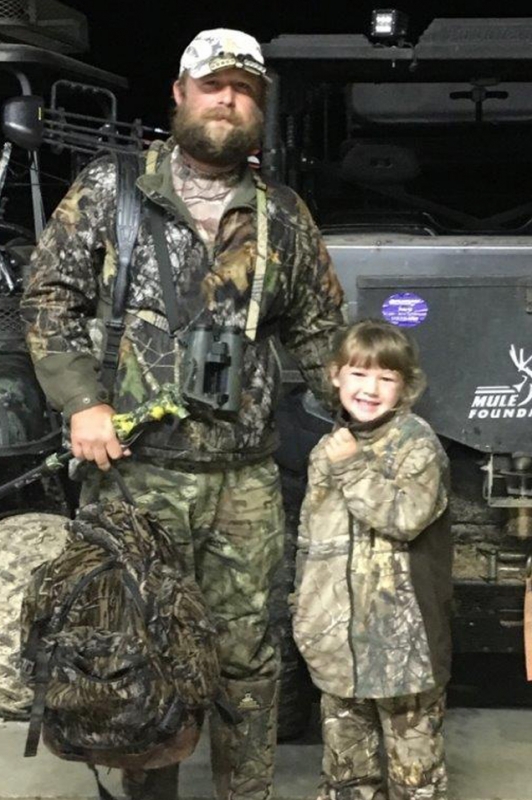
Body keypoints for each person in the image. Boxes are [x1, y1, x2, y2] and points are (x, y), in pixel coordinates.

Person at [20, 27, 344, 800]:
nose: (228, 100)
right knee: (137, 648)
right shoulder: (112, 191)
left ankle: (244, 793)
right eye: (213, 85)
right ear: (180, 93)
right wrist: (82, 401)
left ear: (259, 106)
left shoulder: (282, 214)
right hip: (135, 475)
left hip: (245, 483)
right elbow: (48, 298)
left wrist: (369, 419)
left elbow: (319, 330)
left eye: (244, 90)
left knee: (248, 661)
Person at [292, 319, 452, 800]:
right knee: (346, 774)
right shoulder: (328, 448)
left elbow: (404, 517)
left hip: (403, 648)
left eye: (386, 378)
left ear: (405, 386)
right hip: (337, 643)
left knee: (415, 776)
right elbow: (311, 541)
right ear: (336, 376)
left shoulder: (416, 443)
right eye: (359, 374)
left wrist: (352, 465)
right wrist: (305, 612)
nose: (370, 389)